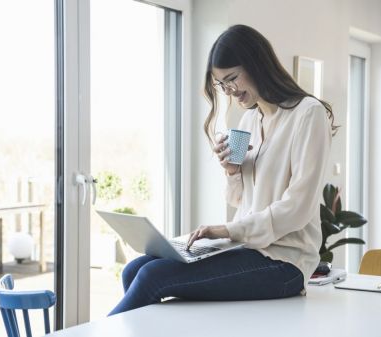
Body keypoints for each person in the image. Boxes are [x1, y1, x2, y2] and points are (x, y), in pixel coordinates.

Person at [108, 24, 337, 316]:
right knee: (135, 269)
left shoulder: (307, 114)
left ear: (258, 65)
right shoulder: (247, 122)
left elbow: (299, 208)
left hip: (286, 263)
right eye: (221, 84)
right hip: (247, 248)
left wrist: (226, 230)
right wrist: (232, 171)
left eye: (232, 78)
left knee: (153, 277)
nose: (229, 90)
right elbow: (239, 201)